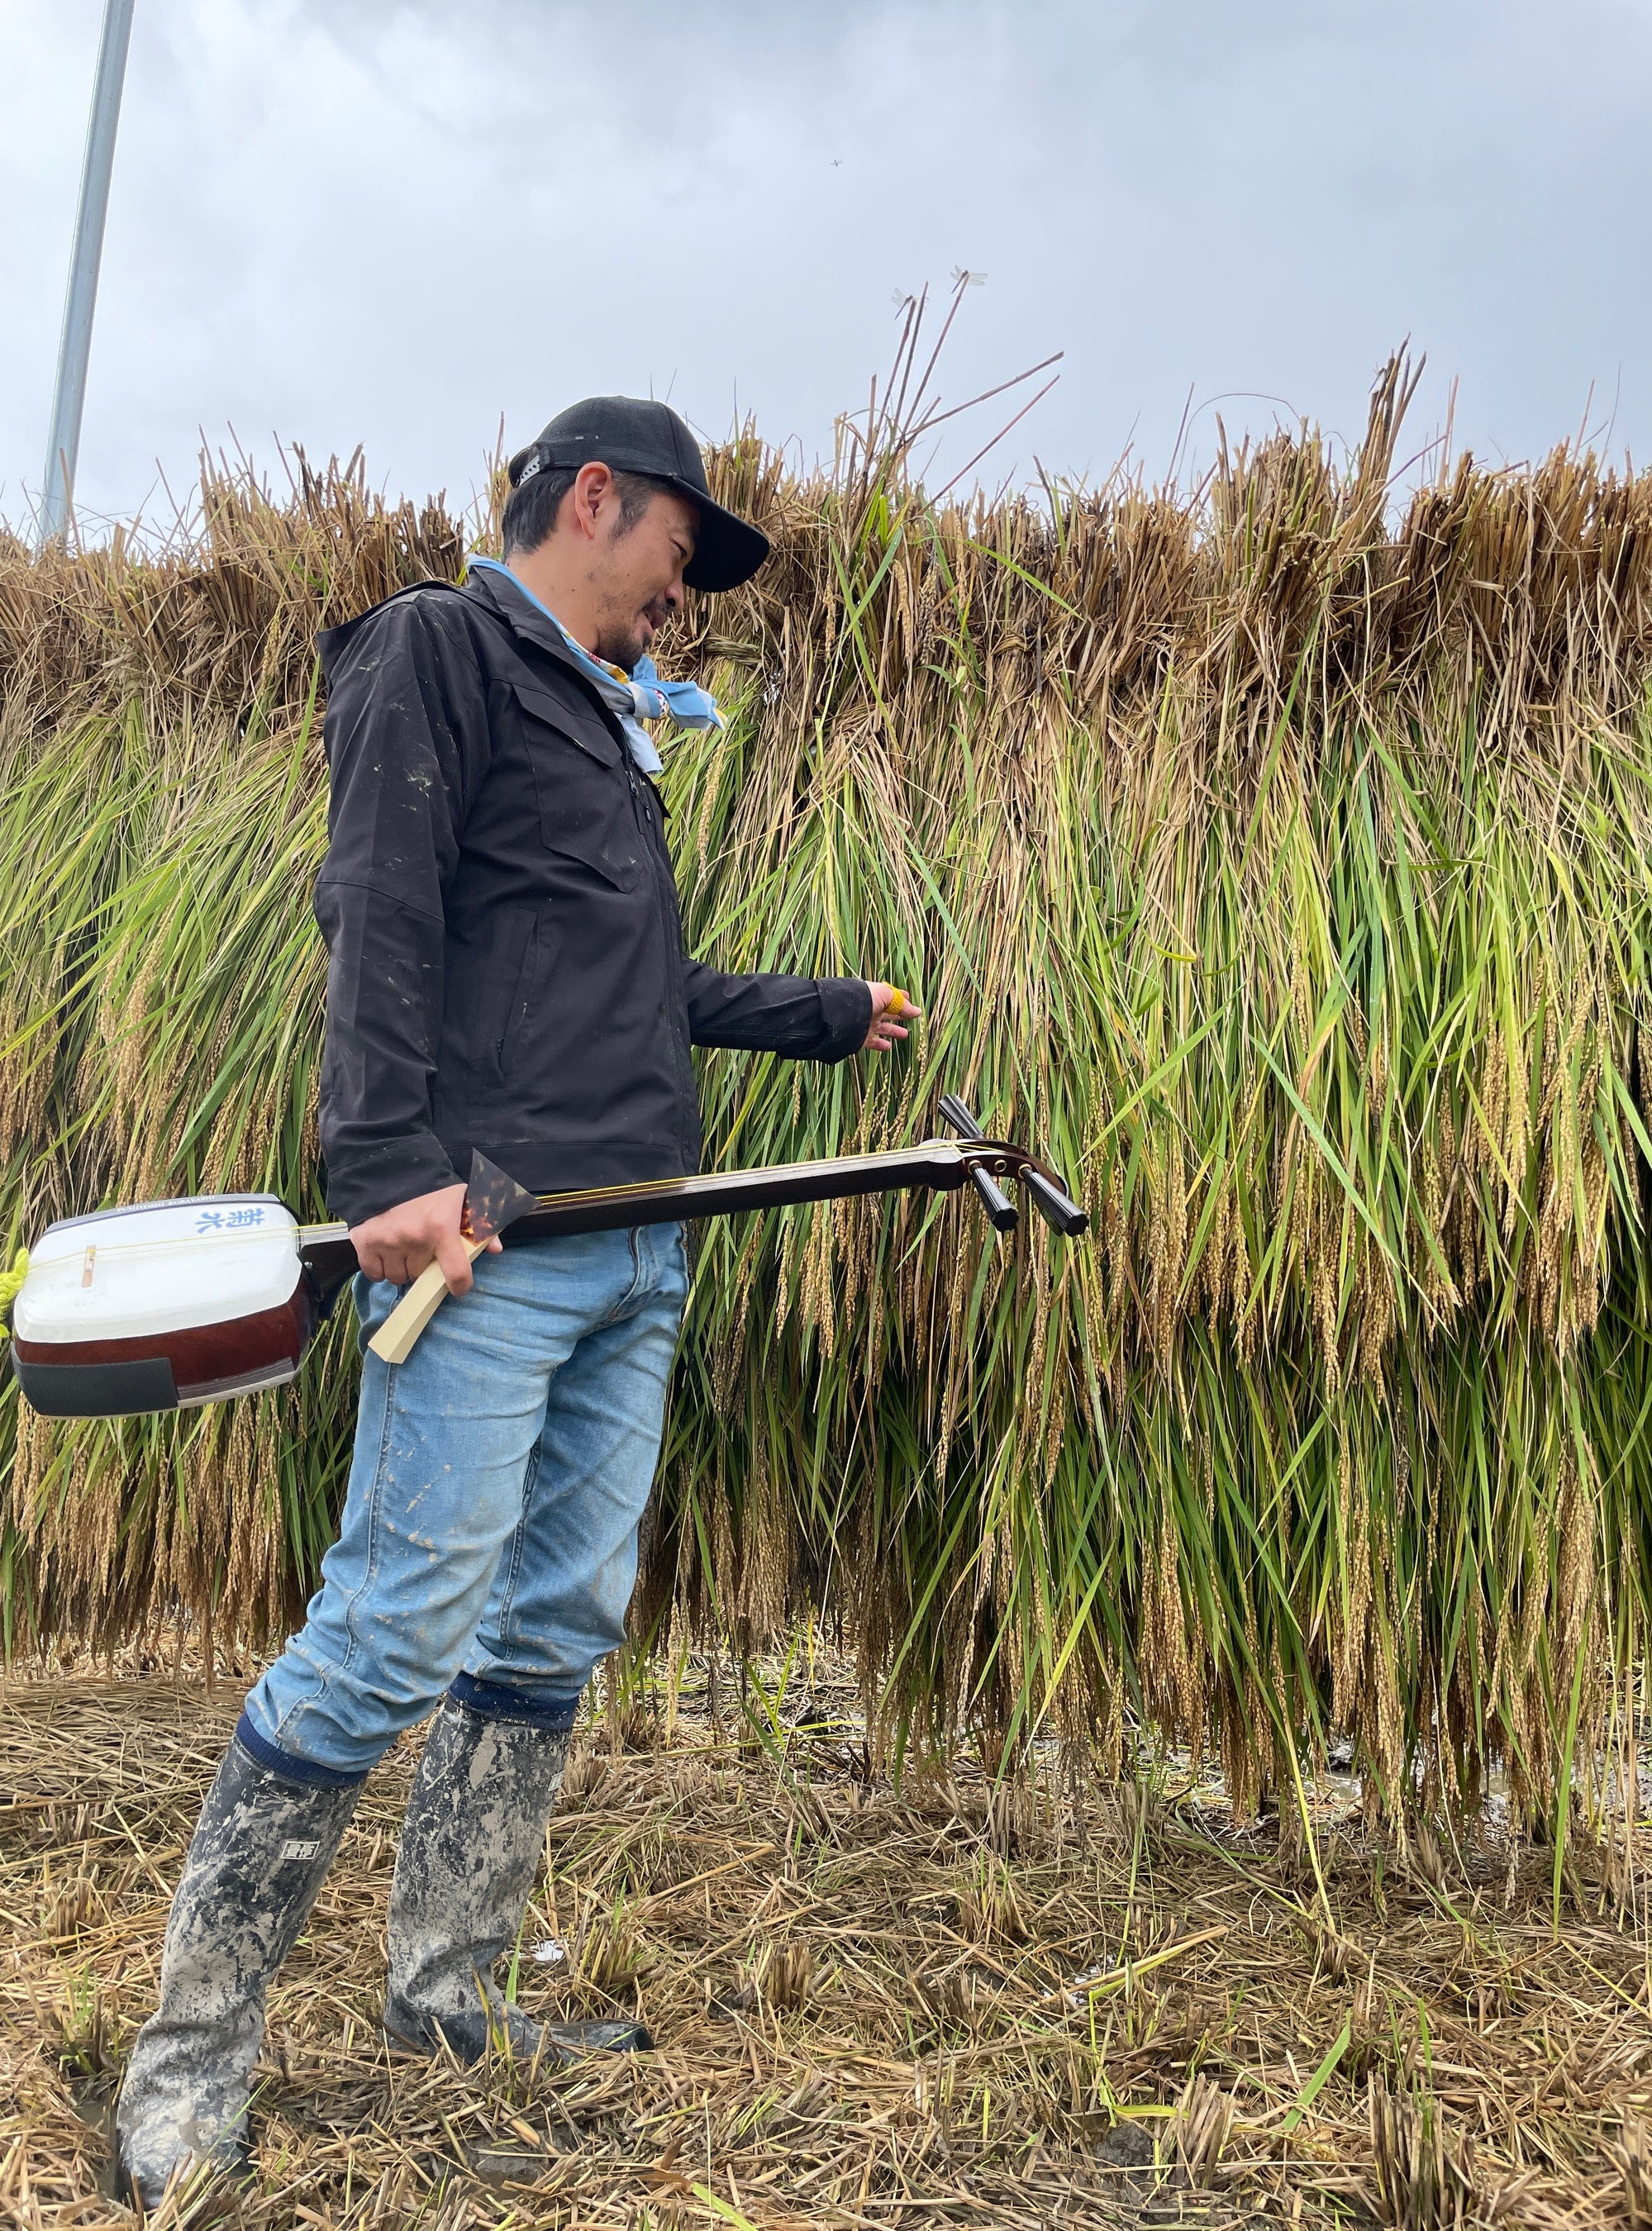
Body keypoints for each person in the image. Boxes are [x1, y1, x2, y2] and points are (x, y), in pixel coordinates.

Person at [116, 396, 921, 2206]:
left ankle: (447, 1992)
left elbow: (621, 989)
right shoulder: (442, 651)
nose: (680, 598)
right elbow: (375, 906)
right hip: (486, 1258)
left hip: (636, 1245)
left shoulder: (602, 722)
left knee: (550, 1626)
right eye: (673, 557)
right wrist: (379, 1169)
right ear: (592, 498)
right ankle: (192, 2059)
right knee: (392, 1631)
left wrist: (814, 1014)